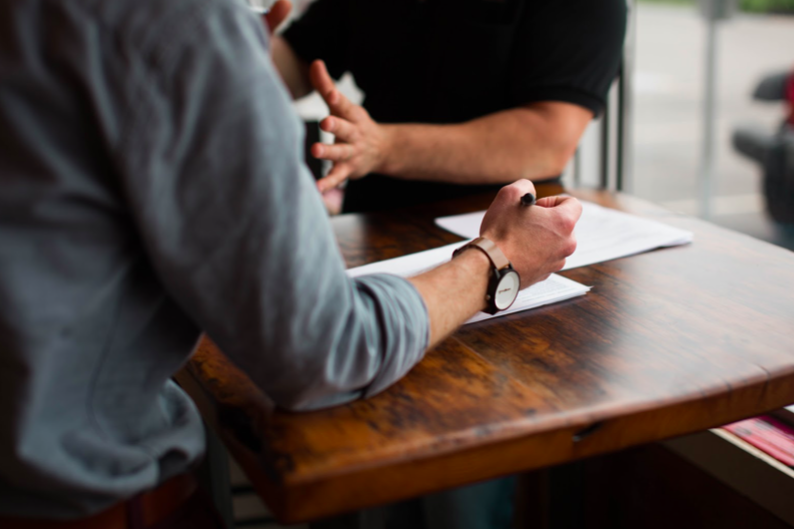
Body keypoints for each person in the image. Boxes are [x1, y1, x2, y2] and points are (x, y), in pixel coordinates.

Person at [0, 0, 581, 527]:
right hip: (81, 495)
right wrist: (497, 259)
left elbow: (552, 134)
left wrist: (231, 63)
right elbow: (322, 349)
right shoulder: (178, 23)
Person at [271, 0, 628, 213]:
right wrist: (233, 47)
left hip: (501, 230)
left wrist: (382, 146)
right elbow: (299, 60)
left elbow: (547, 140)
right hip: (372, 218)